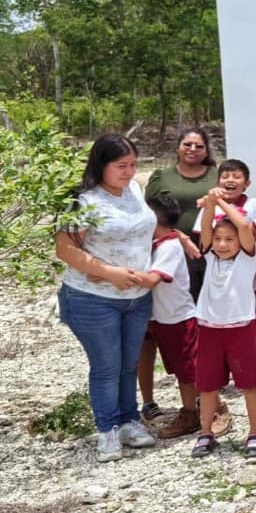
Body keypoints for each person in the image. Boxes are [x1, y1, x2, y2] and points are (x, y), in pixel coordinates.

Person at [56, 134, 158, 462]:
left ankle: (129, 420)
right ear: (101, 165)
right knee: (107, 365)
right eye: (121, 166)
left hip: (137, 296)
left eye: (133, 165)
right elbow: (65, 249)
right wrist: (109, 272)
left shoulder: (136, 191)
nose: (129, 172)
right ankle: (107, 429)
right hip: (93, 298)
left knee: (129, 363)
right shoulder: (83, 201)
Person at [192, 187, 256, 456]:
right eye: (218, 239)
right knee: (207, 385)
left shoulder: (247, 258)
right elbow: (205, 227)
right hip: (209, 328)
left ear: (240, 242)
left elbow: (245, 225)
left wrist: (221, 202)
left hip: (242, 328)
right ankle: (205, 433)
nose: (222, 245)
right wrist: (210, 204)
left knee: (249, 383)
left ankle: (255, 432)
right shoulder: (210, 256)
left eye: (229, 240)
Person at [139, 194, 201, 440]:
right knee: (179, 368)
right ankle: (197, 408)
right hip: (164, 319)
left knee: (187, 370)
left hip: (178, 318)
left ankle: (191, 413)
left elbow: (152, 280)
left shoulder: (169, 247)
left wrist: (118, 275)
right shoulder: (161, 243)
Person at [145, 127, 218, 299]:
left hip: (214, 250)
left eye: (199, 146)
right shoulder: (162, 177)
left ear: (206, 151)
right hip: (173, 248)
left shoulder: (218, 176)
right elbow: (148, 214)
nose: (193, 149)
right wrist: (179, 237)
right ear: (177, 148)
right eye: (187, 144)